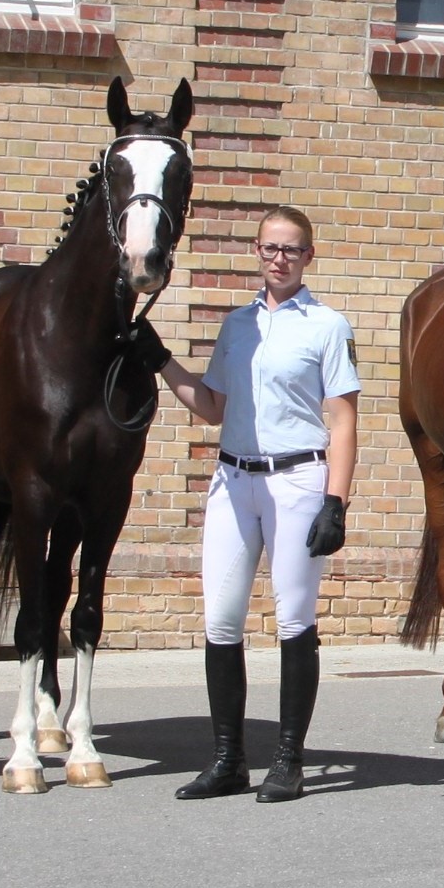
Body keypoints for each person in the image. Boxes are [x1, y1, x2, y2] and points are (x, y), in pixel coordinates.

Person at [146, 204, 360, 803]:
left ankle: (288, 759)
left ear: (308, 256)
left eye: (291, 249)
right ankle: (228, 759)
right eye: (271, 248)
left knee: (295, 619)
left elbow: (343, 421)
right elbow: (213, 407)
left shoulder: (327, 326)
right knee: (221, 619)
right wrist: (161, 360)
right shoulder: (237, 325)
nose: (280, 259)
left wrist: (336, 501)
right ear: (257, 252)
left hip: (297, 480)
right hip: (234, 479)